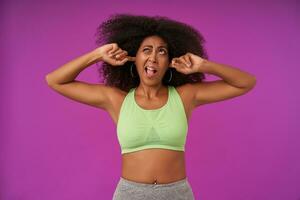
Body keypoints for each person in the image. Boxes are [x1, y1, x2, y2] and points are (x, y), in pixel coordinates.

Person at [45, 13, 256, 200]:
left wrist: (204, 65)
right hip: (130, 194)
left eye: (161, 52)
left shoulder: (185, 96)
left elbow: (246, 82)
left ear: (170, 61)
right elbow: (55, 80)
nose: (153, 57)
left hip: (177, 194)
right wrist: (98, 55)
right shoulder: (116, 100)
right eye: (146, 50)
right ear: (133, 58)